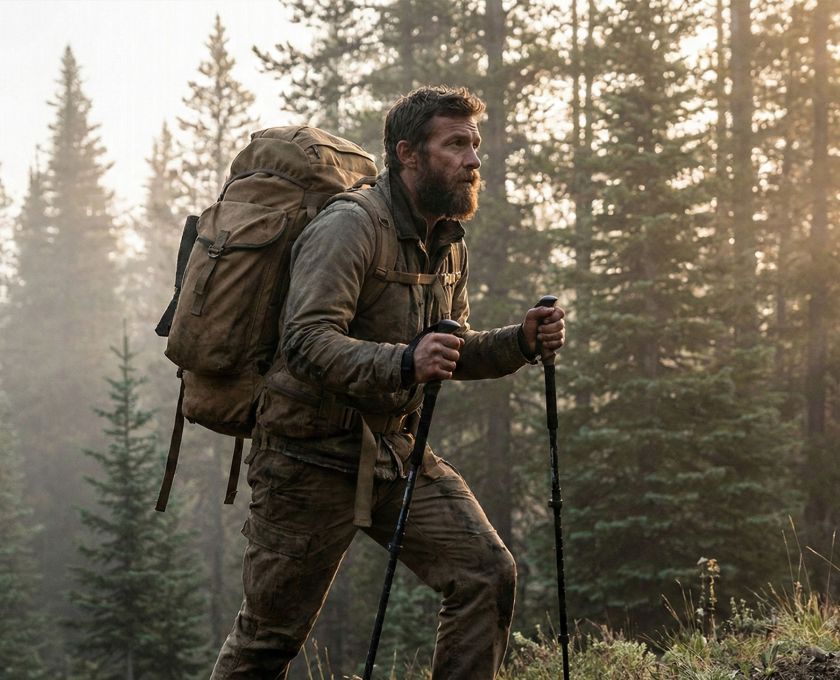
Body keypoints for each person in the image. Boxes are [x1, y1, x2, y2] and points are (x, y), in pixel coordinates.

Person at [211, 85, 566, 680]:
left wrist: (521, 342)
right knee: (267, 641)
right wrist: (404, 362)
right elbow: (305, 340)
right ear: (408, 154)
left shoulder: (447, 240)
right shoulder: (349, 227)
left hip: (391, 455)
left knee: (484, 572)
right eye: (456, 144)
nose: (474, 159)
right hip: (306, 459)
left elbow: (449, 349)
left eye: (474, 144)